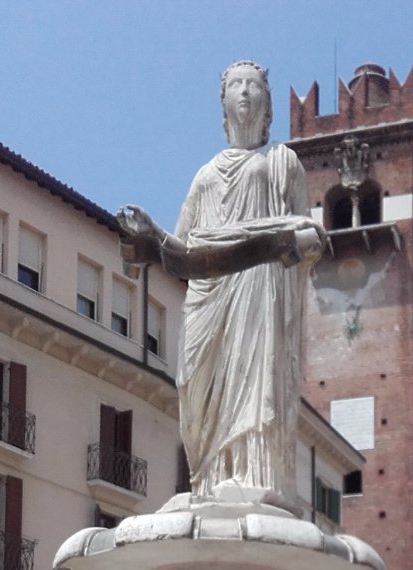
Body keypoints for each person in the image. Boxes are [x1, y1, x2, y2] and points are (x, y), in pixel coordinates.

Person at [117, 60, 324, 501]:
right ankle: (208, 479)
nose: (245, 92)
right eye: (236, 85)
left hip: (257, 285)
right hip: (208, 296)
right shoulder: (205, 174)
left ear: (267, 104)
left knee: (254, 383)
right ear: (224, 101)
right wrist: (149, 232)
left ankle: (254, 476)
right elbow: (181, 250)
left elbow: (306, 229)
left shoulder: (282, 161)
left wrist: (302, 240)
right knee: (195, 387)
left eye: (254, 85)